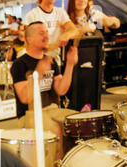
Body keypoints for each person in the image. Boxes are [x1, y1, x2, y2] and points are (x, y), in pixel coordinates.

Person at [10, 21, 78, 159]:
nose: (46, 36)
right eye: (41, 33)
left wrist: (70, 65)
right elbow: (24, 97)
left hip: (53, 109)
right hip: (29, 114)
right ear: (29, 39)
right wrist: (39, 72)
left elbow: (61, 90)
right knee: (55, 130)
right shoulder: (19, 64)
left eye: (47, 32)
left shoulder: (51, 60)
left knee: (78, 123)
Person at [23, 0, 78, 65]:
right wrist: (54, 45)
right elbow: (27, 44)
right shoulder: (32, 15)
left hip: (55, 59)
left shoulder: (60, 12)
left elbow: (74, 30)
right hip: (38, 59)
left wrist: (66, 35)